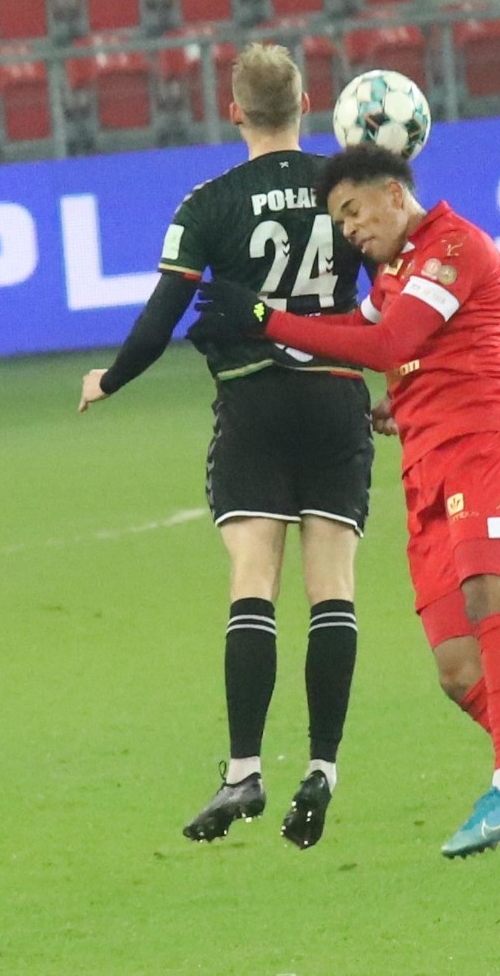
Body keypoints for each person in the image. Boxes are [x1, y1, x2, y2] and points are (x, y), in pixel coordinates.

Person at [187, 143, 500, 900]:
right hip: (429, 474)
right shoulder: (397, 273)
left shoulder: (452, 247)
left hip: (485, 450)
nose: (348, 232)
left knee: (489, 599)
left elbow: (388, 342)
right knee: (458, 670)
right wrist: (369, 389)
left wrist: (269, 320)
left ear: (393, 193)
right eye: (338, 220)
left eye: (352, 212)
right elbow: (366, 328)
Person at [78, 43, 376, 851]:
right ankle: (324, 765)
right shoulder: (347, 189)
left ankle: (244, 769)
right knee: (332, 590)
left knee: (253, 586)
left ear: (235, 110)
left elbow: (162, 314)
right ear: (307, 102)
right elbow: (394, 303)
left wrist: (113, 378)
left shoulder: (208, 202)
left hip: (253, 403)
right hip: (337, 400)